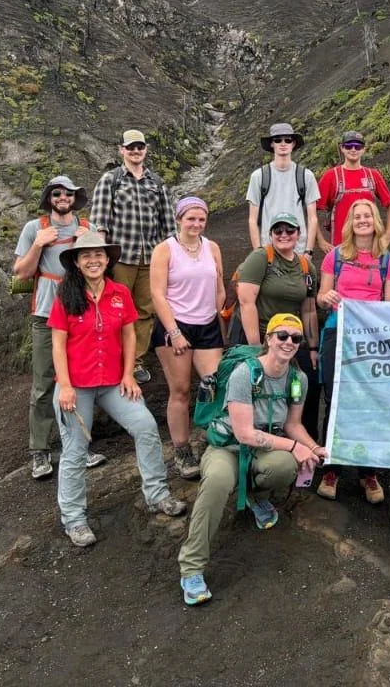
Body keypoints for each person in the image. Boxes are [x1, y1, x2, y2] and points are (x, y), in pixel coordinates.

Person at [176, 313, 328, 605]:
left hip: (263, 449)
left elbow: (293, 425)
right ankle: (192, 568)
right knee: (218, 483)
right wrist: (295, 446)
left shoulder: (298, 379)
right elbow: (244, 434)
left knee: (285, 466)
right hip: (228, 447)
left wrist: (313, 447)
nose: (288, 342)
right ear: (268, 339)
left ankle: (256, 496)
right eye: (281, 335)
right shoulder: (245, 373)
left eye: (295, 338)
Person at [48, 230, 187, 548]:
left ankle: (157, 495)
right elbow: (58, 344)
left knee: (146, 426)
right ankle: (74, 519)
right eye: (86, 256)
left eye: (98, 254)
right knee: (75, 451)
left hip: (112, 382)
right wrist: (65, 386)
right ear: (77, 263)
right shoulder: (66, 295)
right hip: (76, 386)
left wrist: (128, 375)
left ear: (108, 259)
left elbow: (128, 336)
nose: (93, 260)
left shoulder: (119, 293)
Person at [12, 174, 105, 479]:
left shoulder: (86, 228)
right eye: (56, 194)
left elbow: (100, 267)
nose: (62, 198)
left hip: (78, 311)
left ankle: (78, 445)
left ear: (75, 197)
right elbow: (21, 273)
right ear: (49, 198)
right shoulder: (33, 229)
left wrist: (85, 244)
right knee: (44, 383)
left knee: (79, 380)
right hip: (45, 314)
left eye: (67, 194)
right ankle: (39, 451)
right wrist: (38, 245)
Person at [315, 200, 390, 504]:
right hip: (338, 331)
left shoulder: (388, 261)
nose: (362, 220)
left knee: (368, 401)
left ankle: (368, 471)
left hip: (370, 339)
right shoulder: (335, 257)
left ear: (375, 221)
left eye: (367, 215)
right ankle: (332, 467)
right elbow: (322, 298)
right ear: (349, 223)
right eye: (357, 216)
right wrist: (328, 296)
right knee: (334, 397)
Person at [90, 129, 176, 383]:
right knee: (113, 309)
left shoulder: (156, 183)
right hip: (120, 257)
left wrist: (171, 255)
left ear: (146, 149)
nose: (136, 151)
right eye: (131, 147)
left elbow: (168, 224)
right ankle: (110, 360)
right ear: (121, 150)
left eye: (140, 147)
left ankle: (134, 361)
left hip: (150, 257)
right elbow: (100, 222)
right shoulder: (111, 180)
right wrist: (100, 259)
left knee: (144, 311)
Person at [150, 196, 226, 481]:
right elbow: (157, 293)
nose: (196, 224)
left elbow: (218, 283)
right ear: (179, 219)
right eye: (191, 218)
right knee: (180, 390)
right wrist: (174, 332)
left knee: (214, 386)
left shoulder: (212, 247)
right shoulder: (165, 249)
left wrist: (220, 312)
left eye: (201, 219)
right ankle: (181, 450)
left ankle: (215, 440)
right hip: (176, 325)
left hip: (207, 324)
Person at [235, 213, 320, 434]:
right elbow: (246, 302)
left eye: (289, 230)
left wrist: (312, 347)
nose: (284, 235)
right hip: (262, 335)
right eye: (278, 230)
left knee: (304, 386)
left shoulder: (306, 267)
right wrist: (255, 347)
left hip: (292, 338)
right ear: (271, 234)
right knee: (256, 390)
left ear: (298, 234)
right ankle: (252, 441)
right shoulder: (261, 258)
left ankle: (306, 446)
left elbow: (309, 310)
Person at [246, 122, 319, 258]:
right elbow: (252, 219)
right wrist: (258, 252)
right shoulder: (259, 176)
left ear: (293, 144)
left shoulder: (306, 176)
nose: (283, 143)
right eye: (278, 140)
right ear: (272, 144)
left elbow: (312, 218)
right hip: (268, 251)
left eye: (288, 140)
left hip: (298, 251)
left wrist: (308, 251)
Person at [317, 130, 390, 251]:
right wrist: (321, 241)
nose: (353, 149)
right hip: (341, 248)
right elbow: (312, 210)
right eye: (348, 146)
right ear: (342, 148)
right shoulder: (331, 176)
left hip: (370, 249)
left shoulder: (373, 175)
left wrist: (388, 235)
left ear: (364, 149)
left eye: (358, 146)